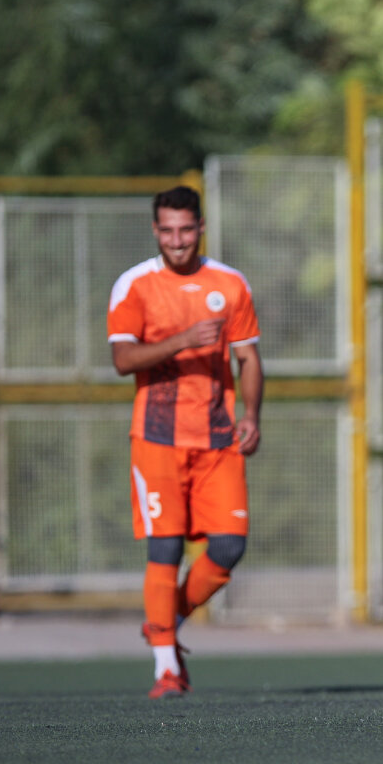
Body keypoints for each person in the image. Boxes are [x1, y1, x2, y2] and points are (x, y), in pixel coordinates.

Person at [107, 186, 264, 699]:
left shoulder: (230, 283)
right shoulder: (134, 285)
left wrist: (251, 414)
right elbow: (123, 360)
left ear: (201, 228)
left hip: (218, 439)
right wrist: (182, 340)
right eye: (168, 231)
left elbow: (248, 358)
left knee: (229, 547)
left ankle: (164, 620)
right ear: (156, 231)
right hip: (157, 439)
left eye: (186, 230)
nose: (177, 240)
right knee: (166, 547)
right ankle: (166, 669)